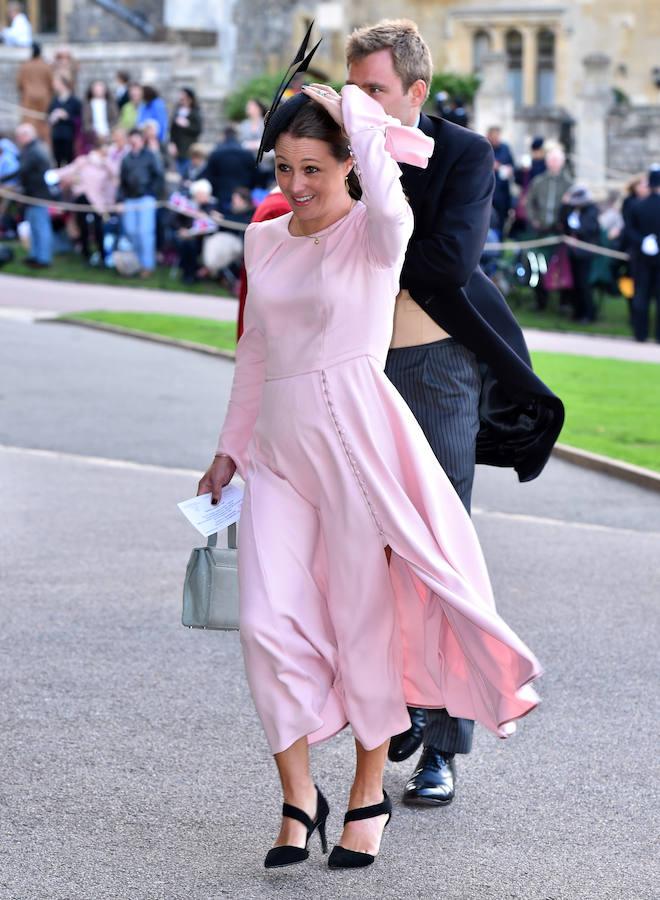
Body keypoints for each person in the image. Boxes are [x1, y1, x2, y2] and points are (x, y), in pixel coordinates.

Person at [197, 71, 541, 870]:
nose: (295, 185)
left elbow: (388, 191)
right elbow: (254, 353)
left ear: (351, 160)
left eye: (312, 167)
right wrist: (227, 447)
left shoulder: (380, 231)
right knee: (265, 624)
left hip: (357, 442)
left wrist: (343, 97)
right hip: (275, 453)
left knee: (363, 624)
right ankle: (295, 797)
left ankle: (364, 794)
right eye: (283, 168)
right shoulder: (265, 238)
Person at [345, 19, 563, 808]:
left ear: (415, 91)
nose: (359, 103)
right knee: (365, 552)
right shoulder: (336, 142)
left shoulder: (464, 154)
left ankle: (442, 747)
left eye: (373, 89)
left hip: (438, 367)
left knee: (437, 551)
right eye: (353, 86)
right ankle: (395, 704)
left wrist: (367, 230)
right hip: (356, 368)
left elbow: (448, 262)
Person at [56, 136, 118, 264]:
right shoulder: (84, 161)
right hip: (82, 197)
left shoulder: (107, 164)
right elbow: (69, 169)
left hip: (98, 201)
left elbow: (115, 177)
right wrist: (54, 174)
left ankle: (102, 255)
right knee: (83, 226)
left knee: (98, 227)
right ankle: (86, 254)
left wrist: (105, 163)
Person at [526, 145, 573, 309]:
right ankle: (540, 301)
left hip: (559, 232)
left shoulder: (568, 184)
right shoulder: (539, 181)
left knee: (561, 265)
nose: (553, 163)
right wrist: (534, 220)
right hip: (541, 232)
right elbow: (529, 202)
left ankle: (563, 302)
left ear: (561, 162)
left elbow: (573, 206)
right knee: (538, 265)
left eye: (556, 160)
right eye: (551, 160)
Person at [0, 122, 53, 267]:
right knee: (33, 227)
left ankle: (43, 259)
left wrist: (2, 179)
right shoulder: (30, 149)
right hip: (31, 195)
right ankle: (35, 256)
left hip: (37, 196)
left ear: (26, 135)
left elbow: (21, 171)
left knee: (40, 228)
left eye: (19, 136)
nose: (17, 139)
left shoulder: (34, 150)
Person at [118, 127, 163, 276]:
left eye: (136, 137)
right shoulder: (126, 159)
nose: (133, 141)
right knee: (131, 231)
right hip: (130, 199)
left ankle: (147, 265)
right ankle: (135, 263)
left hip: (146, 198)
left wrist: (152, 193)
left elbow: (158, 176)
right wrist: (121, 199)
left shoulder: (150, 156)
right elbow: (122, 181)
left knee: (145, 232)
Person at [627, 165, 660, 342]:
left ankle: (641, 334)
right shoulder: (638, 206)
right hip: (650, 257)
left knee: (641, 295)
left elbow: (630, 231)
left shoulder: (638, 206)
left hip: (641, 258)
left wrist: (643, 241)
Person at [559, 185, 601, 323]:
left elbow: (588, 229)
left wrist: (576, 234)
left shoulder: (591, 210)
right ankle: (577, 312)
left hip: (585, 252)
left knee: (583, 284)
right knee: (575, 284)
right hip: (573, 252)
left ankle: (588, 314)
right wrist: (564, 206)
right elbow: (564, 222)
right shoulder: (572, 210)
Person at [201, 126, 257, 213]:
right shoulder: (247, 154)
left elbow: (208, 175)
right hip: (243, 195)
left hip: (222, 194)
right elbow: (256, 175)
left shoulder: (216, 154)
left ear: (223, 136)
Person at [16, 43, 53, 143]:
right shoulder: (46, 66)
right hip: (44, 98)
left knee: (28, 124)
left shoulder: (25, 66)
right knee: (43, 124)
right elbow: (51, 83)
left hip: (29, 97)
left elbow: (19, 84)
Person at [48, 74, 82, 166]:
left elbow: (79, 120)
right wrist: (52, 118)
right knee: (57, 161)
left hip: (70, 136)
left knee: (70, 161)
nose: (54, 84)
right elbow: (48, 117)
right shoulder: (54, 101)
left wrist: (67, 116)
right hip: (56, 136)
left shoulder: (75, 101)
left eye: (56, 82)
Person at [168, 88, 202, 178]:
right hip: (178, 147)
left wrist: (187, 125)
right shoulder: (178, 111)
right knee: (178, 172)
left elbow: (198, 129)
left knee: (187, 171)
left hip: (188, 148)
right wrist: (172, 143)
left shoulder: (195, 112)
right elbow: (172, 129)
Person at [487, 125, 515, 232]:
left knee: (501, 221)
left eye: (497, 136)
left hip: (503, 192)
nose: (496, 139)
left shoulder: (505, 148)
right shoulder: (485, 147)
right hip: (489, 190)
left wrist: (508, 169)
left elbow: (512, 166)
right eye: (493, 136)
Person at [81, 80, 117, 153]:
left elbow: (115, 120)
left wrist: (108, 133)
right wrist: (96, 134)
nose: (98, 90)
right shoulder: (87, 106)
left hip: (109, 136)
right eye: (96, 88)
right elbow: (86, 123)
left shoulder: (111, 104)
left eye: (100, 88)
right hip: (93, 137)